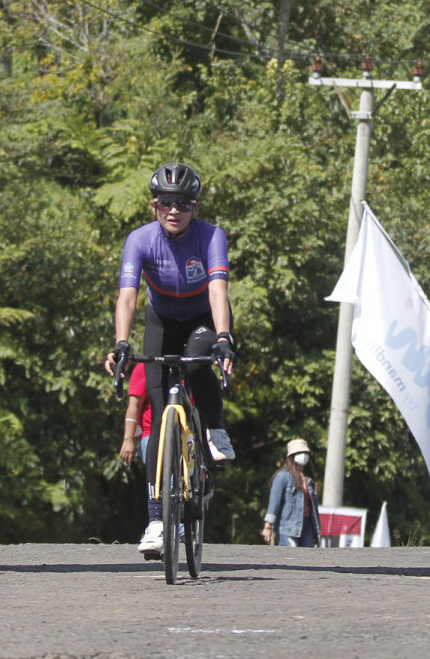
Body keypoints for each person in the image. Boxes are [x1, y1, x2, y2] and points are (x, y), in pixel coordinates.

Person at [103, 161, 237, 559]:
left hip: (201, 319)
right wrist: (121, 343)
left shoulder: (211, 236)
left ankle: (214, 429)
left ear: (196, 207)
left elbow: (218, 290)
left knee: (196, 363)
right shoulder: (140, 240)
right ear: (154, 206)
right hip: (161, 320)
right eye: (165, 203)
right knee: (160, 426)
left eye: (183, 204)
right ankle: (157, 522)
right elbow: (128, 295)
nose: (174, 210)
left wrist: (224, 338)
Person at [262, 438, 320, 547]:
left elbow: (314, 509)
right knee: (291, 555)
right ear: (291, 456)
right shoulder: (282, 477)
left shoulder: (310, 480)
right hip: (288, 527)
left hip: (307, 527)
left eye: (305, 453)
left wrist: (315, 533)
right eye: (299, 453)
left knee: (307, 557)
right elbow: (274, 503)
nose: (303, 456)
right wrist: (268, 526)